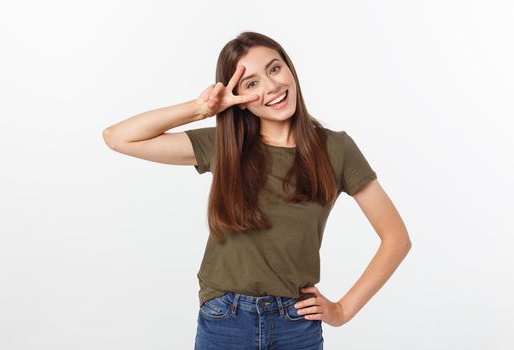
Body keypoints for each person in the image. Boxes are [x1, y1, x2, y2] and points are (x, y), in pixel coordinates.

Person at [102, 31, 412, 350]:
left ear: (290, 69)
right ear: (239, 100)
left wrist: (343, 310)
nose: (271, 87)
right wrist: (200, 108)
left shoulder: (336, 148)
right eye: (251, 84)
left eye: (274, 69)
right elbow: (118, 137)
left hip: (296, 324)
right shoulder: (225, 146)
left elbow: (396, 238)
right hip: (225, 321)